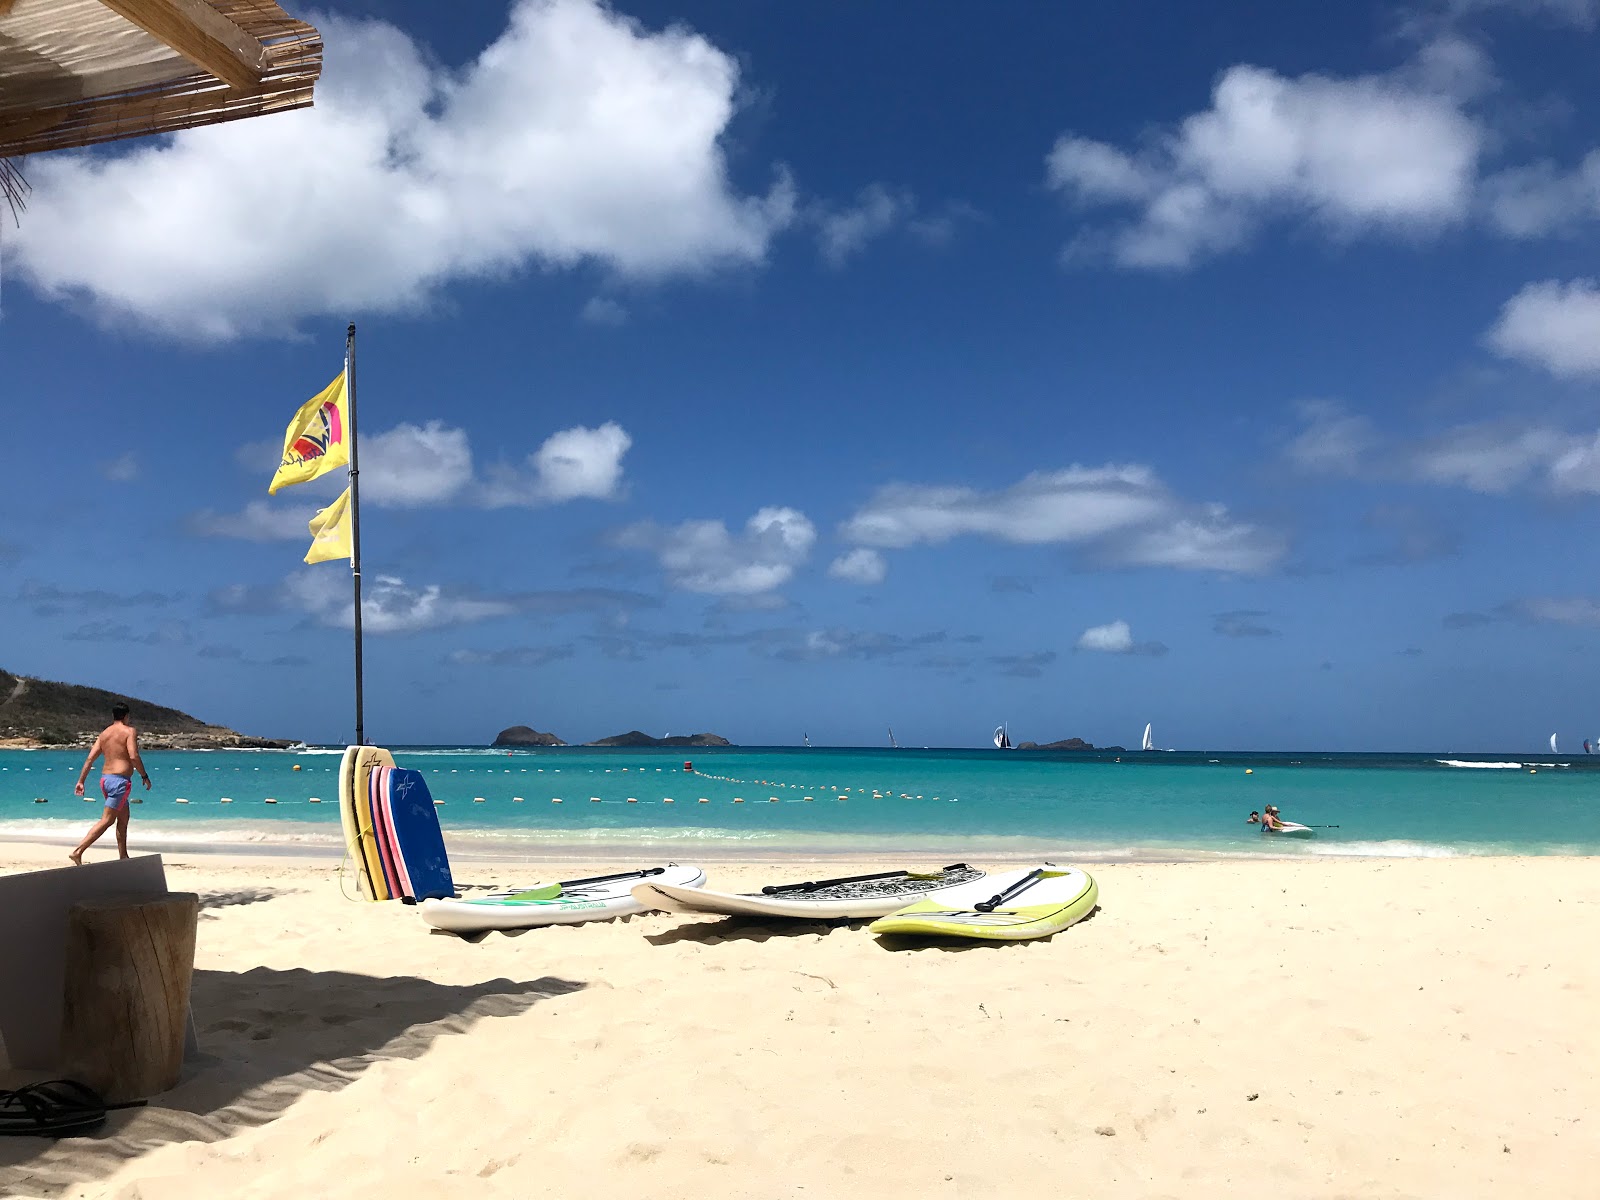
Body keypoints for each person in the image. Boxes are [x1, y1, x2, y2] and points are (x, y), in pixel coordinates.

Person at [70, 703, 151, 865]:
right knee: (107, 820)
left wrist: (81, 781)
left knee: (124, 818)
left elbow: (90, 759)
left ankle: (123, 856)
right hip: (120, 782)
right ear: (126, 716)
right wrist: (144, 775)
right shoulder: (129, 731)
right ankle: (78, 851)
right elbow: (133, 756)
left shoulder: (104, 734)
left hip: (105, 780)